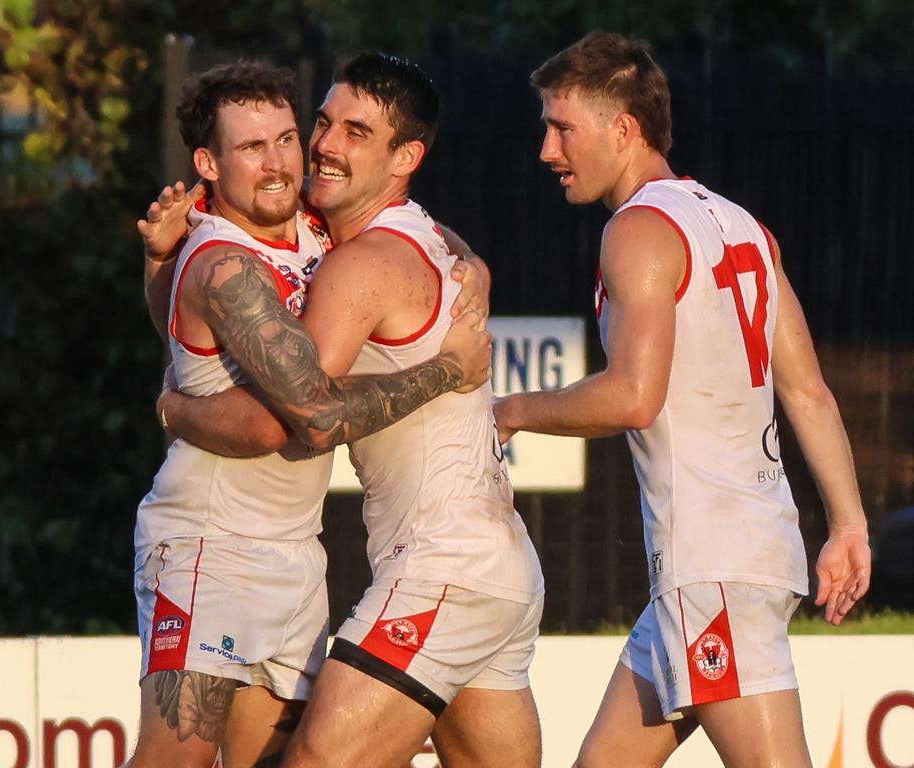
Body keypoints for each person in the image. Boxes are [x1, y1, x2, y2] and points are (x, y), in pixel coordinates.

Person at [492, 31, 872, 767]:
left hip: (713, 568)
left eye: (561, 126)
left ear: (622, 128)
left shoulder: (636, 230)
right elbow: (809, 392)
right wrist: (849, 524)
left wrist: (510, 411)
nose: (547, 149)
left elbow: (632, 398)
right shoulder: (741, 226)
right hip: (737, 556)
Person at [159, 53, 546, 768]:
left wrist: (173, 414)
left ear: (407, 157)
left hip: (441, 569)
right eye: (326, 122)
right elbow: (461, 258)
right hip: (498, 568)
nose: (324, 146)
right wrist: (158, 265)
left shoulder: (355, 261)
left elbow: (307, 418)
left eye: (356, 132)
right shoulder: (397, 230)